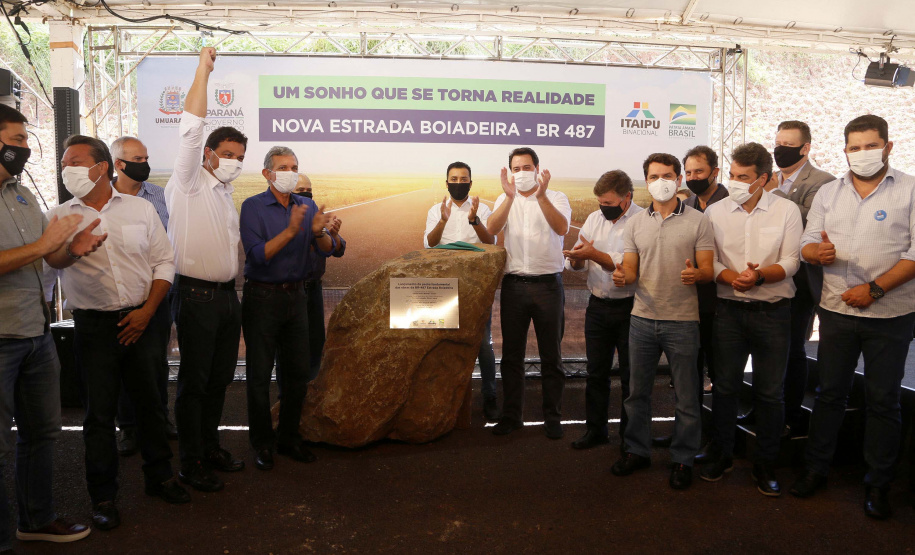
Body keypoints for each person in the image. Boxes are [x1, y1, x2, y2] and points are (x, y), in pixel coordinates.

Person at [50, 134, 189, 531]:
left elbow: (164, 262)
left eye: (75, 162)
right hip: (93, 328)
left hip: (142, 321)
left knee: (151, 405)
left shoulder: (141, 209)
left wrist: (147, 312)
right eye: (64, 164)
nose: (67, 170)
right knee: (99, 415)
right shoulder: (59, 216)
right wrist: (72, 249)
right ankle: (103, 496)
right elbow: (51, 264)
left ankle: (160, 477)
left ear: (102, 167)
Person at [792, 115, 915, 520]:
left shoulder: (911, 190)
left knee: (883, 400)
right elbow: (808, 241)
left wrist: (874, 289)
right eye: (855, 147)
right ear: (845, 151)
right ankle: (816, 469)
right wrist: (816, 253)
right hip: (836, 312)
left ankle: (878, 483)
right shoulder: (830, 192)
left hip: (891, 315)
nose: (863, 153)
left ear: (888, 147)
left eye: (871, 145)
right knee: (830, 394)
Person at [0, 105, 90, 550]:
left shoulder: (21, 194)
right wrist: (45, 245)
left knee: (41, 435)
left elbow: (46, 254)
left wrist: (73, 250)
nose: (26, 148)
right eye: (17, 140)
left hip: (36, 333)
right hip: (2, 339)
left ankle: (35, 519)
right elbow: (38, 248)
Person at [699, 143, 802, 497]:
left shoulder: (786, 211)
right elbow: (709, 261)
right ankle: (723, 455)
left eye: (743, 177)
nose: (735, 182)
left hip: (773, 313)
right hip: (728, 312)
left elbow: (792, 262)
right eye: (732, 175)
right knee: (725, 388)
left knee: (770, 393)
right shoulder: (715, 212)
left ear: (763, 179)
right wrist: (734, 279)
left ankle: (766, 464)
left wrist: (758, 277)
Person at [165, 47, 246, 493]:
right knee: (194, 383)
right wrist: (203, 71)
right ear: (209, 154)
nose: (233, 161)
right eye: (227, 153)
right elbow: (192, 128)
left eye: (239, 156)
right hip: (195, 295)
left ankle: (210, 447)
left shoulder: (223, 192)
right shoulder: (189, 180)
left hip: (226, 298)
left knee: (218, 380)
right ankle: (191, 462)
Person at [609, 152, 715, 490]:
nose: (661, 182)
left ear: (678, 179)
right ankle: (636, 451)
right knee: (636, 393)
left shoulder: (699, 221)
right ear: (646, 182)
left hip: (683, 321)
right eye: (654, 177)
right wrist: (621, 276)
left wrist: (696, 275)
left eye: (667, 175)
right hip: (642, 319)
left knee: (686, 397)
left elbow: (708, 269)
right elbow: (630, 270)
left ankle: (683, 459)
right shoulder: (636, 223)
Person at [241, 147, 334, 471]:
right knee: (259, 375)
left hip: (297, 298)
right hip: (262, 298)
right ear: (267, 174)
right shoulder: (252, 207)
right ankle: (262, 443)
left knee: (296, 375)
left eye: (294, 167)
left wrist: (319, 232)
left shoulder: (307, 206)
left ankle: (289, 437)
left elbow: (327, 250)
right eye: (283, 167)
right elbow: (257, 255)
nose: (290, 173)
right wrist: (292, 231)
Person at [754, 121, 835, 435]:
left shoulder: (823, 182)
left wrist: (773, 195)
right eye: (777, 143)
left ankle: (790, 414)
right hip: (765, 274)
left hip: (800, 279)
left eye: (788, 145)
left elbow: (810, 221)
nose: (780, 150)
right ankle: (762, 411)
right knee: (764, 348)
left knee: (792, 348)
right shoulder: (768, 178)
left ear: (805, 148)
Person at [487, 147, 571, 439]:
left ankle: (553, 417)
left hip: (548, 286)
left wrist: (542, 195)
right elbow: (492, 228)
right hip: (514, 286)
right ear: (510, 172)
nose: (521, 173)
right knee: (512, 356)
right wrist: (509, 198)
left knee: (552, 356)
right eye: (516, 168)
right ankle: (511, 416)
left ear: (537, 168)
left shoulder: (556, 197)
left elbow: (562, 228)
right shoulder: (505, 198)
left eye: (526, 167)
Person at [563, 170, 642, 451]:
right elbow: (579, 262)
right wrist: (576, 260)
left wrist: (593, 255)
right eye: (600, 202)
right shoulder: (594, 219)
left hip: (632, 309)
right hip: (597, 306)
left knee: (631, 377)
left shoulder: (642, 221)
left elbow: (625, 265)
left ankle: (630, 439)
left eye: (608, 203)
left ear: (626, 197)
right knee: (596, 372)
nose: (602, 208)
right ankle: (596, 430)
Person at [109, 135, 178, 458]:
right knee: (123, 361)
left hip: (158, 292)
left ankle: (159, 418)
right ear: (118, 164)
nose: (145, 164)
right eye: (137, 160)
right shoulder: (103, 198)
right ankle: (128, 426)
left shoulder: (160, 197)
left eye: (146, 158)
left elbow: (168, 245)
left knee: (156, 361)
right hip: (120, 295)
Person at [423, 161, 498, 420]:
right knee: (443, 340)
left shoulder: (483, 209)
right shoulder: (436, 210)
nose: (458, 183)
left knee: (483, 343)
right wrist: (443, 221)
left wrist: (474, 220)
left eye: (463, 179)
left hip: (477, 284)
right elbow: (430, 243)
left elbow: (491, 242)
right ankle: (443, 397)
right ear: (447, 183)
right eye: (453, 179)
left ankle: (490, 395)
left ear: (470, 183)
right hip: (443, 285)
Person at [681, 145, 729, 462]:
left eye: (699, 171)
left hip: (721, 304)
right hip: (688, 304)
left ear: (715, 172)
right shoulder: (685, 205)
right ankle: (690, 434)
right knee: (689, 375)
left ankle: (719, 441)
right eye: (688, 172)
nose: (693, 177)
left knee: (721, 376)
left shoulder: (730, 203)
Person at [294, 174, 346, 382]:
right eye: (300, 191)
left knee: (316, 343)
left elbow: (338, 250)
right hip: (291, 290)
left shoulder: (317, 215)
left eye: (309, 190)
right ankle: (288, 395)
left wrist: (334, 236)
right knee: (291, 346)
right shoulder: (282, 217)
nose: (306, 194)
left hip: (314, 290)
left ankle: (313, 391)